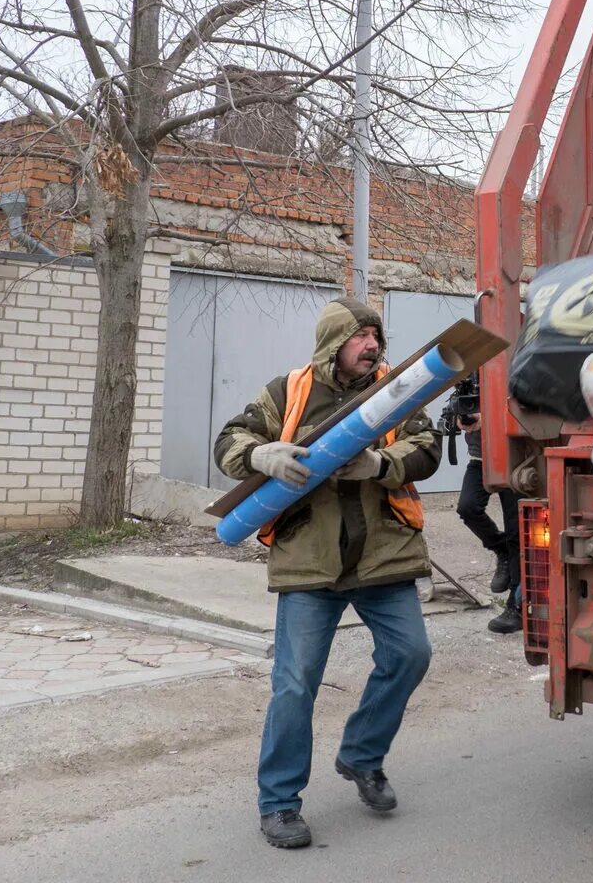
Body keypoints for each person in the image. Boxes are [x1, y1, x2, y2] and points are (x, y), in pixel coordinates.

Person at [214, 297, 440, 851]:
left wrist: (379, 464)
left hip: (383, 555)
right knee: (294, 685)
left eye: (376, 336)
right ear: (333, 342)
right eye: (362, 336)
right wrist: (263, 456)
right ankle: (280, 805)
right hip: (310, 560)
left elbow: (428, 448)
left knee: (411, 654)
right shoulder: (286, 391)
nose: (373, 345)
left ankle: (362, 756)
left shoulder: (397, 388)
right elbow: (229, 441)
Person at [446, 373, 524, 633]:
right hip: (480, 459)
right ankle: (499, 548)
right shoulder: (471, 373)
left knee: (517, 533)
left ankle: (516, 605)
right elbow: (457, 408)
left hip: (516, 458)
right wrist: (459, 417)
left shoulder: (513, 365)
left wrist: (487, 418)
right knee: (467, 508)